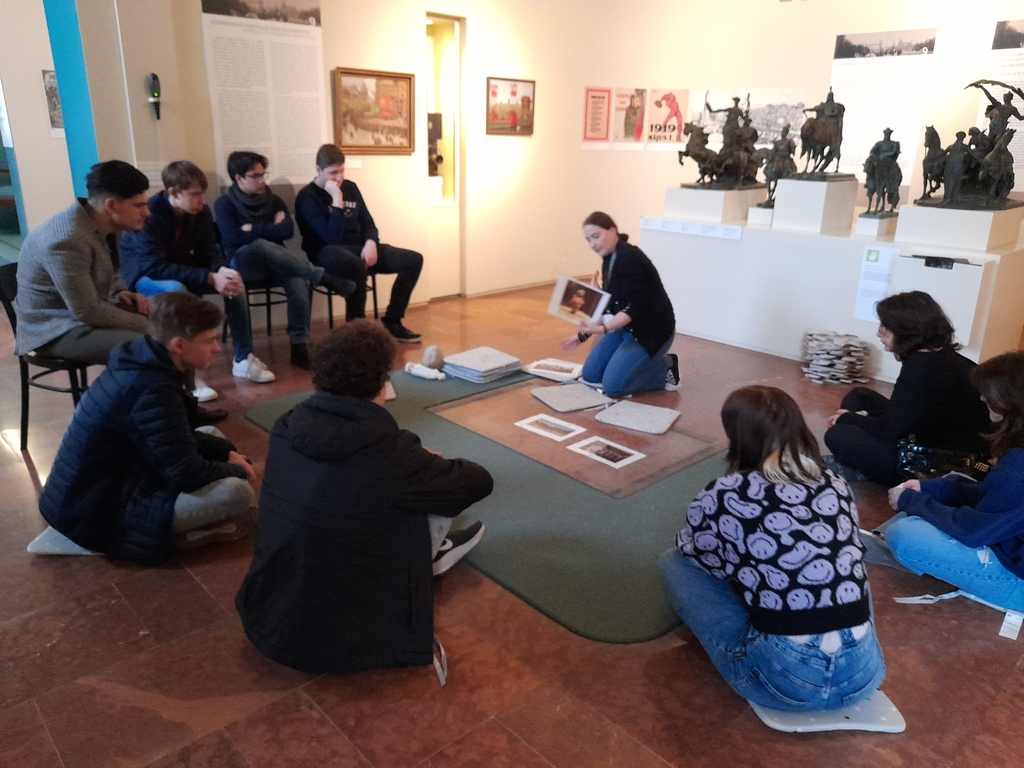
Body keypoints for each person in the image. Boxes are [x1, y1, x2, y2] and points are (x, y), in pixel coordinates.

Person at [235, 320, 492, 674]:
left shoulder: (287, 424)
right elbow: (478, 481)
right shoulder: (389, 452)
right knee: (425, 492)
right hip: (341, 639)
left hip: (268, 613)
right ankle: (431, 553)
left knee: (380, 492)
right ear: (382, 383)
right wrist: (424, 462)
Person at [660, 386, 885, 711]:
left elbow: (698, 556)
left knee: (673, 563)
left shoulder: (724, 492)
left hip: (782, 682)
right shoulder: (836, 484)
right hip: (864, 675)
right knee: (844, 562)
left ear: (738, 438)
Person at [37, 292, 257, 564]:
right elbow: (186, 471)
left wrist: (225, 453)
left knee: (213, 437)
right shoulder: (152, 389)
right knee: (237, 493)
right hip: (90, 513)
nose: (217, 348)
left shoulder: (143, 359)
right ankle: (168, 535)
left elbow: (172, 434)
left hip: (103, 483)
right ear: (178, 344)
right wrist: (237, 469)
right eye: (209, 340)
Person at [884, 351, 1024, 613]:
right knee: (951, 485)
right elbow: (999, 499)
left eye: (987, 394)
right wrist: (932, 489)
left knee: (904, 535)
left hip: (1019, 582)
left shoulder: (1016, 468)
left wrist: (912, 501)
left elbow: (972, 531)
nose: (981, 398)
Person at [824, 291, 990, 487]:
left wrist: (847, 418)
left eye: (885, 326)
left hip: (934, 462)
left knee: (837, 434)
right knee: (859, 395)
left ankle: (862, 466)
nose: (879, 333)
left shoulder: (920, 369)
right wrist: (860, 417)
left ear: (905, 330)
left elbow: (888, 430)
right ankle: (859, 461)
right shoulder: (942, 356)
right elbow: (907, 415)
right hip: (928, 433)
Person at [120, 161, 254, 398]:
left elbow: (208, 252)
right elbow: (153, 266)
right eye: (194, 195)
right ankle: (187, 377)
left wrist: (222, 271)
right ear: (173, 192)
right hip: (143, 276)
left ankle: (244, 358)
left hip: (179, 269)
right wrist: (209, 277)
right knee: (177, 289)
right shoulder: (151, 213)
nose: (202, 201)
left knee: (234, 282)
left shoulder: (200, 212)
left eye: (202, 194)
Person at [214, 151, 354, 372]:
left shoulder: (274, 200)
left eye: (263, 174)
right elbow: (232, 238)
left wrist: (252, 228)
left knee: (298, 281)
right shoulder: (224, 204)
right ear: (238, 178)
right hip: (242, 265)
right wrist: (270, 229)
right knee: (260, 246)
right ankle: (321, 276)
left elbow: (287, 230)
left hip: (277, 264)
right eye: (255, 176)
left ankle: (299, 347)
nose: (262, 180)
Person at [14, 160, 150, 365]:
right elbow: (88, 311)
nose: (147, 213)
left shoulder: (105, 223)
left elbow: (109, 270)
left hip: (80, 315)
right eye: (139, 205)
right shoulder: (67, 240)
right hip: (53, 329)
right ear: (111, 205)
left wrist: (120, 291)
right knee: (151, 345)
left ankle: (177, 385)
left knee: (173, 320)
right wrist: (146, 325)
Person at [294, 144, 424, 343]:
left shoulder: (351, 187)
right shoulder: (307, 197)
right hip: (326, 253)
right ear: (318, 169)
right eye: (333, 173)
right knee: (355, 265)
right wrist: (336, 199)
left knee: (413, 260)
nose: (339, 178)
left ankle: (392, 320)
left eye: (342, 171)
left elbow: (368, 223)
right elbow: (332, 237)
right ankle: (357, 330)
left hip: (360, 248)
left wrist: (371, 242)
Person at [559, 212, 678, 397]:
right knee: (590, 376)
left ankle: (666, 366)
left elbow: (634, 308)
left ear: (613, 231)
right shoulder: (609, 259)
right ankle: (636, 364)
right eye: (588, 240)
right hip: (623, 329)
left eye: (596, 236)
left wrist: (603, 329)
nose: (592, 244)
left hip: (649, 333)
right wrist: (582, 336)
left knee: (613, 387)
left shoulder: (629, 257)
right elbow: (608, 304)